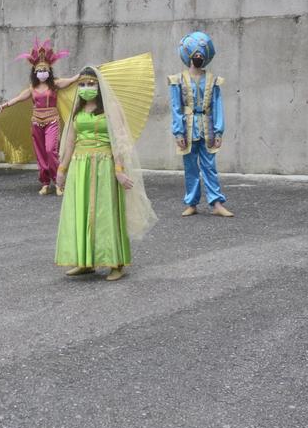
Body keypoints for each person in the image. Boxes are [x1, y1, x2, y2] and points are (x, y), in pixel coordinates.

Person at [55, 56, 158, 281]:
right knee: (81, 213)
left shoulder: (110, 109)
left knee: (106, 213)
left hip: (104, 165)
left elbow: (119, 141)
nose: (85, 88)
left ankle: (116, 263)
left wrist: (119, 170)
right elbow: (70, 141)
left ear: (99, 85)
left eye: (90, 84)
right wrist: (61, 170)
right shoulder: (77, 111)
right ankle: (85, 262)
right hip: (80, 167)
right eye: (81, 84)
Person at [0, 39, 81, 195]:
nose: (42, 73)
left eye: (45, 69)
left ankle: (59, 182)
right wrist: (4, 106)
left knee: (50, 150)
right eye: (39, 70)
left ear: (49, 70)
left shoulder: (55, 84)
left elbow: (73, 80)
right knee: (40, 153)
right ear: (34, 71)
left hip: (52, 121)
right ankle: (45, 183)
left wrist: (84, 73)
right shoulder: (32, 88)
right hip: (36, 122)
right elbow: (18, 99)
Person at [169, 31, 233, 218]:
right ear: (188, 55)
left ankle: (216, 203)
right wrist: (178, 132)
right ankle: (192, 203)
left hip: (208, 127)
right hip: (188, 129)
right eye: (195, 54)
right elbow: (176, 108)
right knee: (190, 168)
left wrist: (219, 131)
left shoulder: (213, 80)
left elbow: (217, 106)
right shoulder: (177, 80)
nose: (198, 57)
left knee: (210, 166)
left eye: (201, 55)